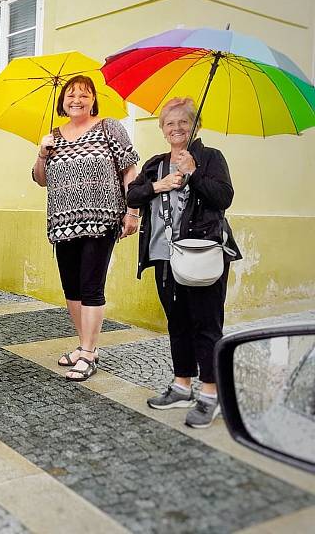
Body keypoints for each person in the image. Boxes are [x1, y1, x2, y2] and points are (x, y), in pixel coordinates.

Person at [126, 97, 241, 428]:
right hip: (164, 256)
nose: (176, 128)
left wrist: (193, 173)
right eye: (169, 123)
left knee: (206, 324)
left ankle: (210, 394)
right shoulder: (156, 164)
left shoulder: (210, 158)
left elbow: (224, 198)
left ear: (196, 126)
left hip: (202, 255)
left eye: (183, 122)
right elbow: (133, 195)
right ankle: (182, 385)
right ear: (162, 129)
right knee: (177, 322)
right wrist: (158, 185)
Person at [32, 75, 139, 382]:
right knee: (72, 289)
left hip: (101, 219)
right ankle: (83, 345)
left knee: (91, 286)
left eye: (84, 94)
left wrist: (133, 211)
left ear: (94, 100)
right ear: (62, 101)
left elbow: (130, 169)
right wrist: (42, 152)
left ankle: (89, 353)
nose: (77, 99)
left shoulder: (109, 127)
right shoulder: (53, 136)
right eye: (71, 95)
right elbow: (40, 179)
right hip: (62, 223)